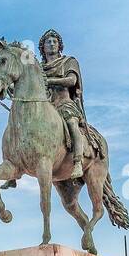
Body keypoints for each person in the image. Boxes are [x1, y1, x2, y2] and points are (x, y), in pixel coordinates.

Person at [39, 28, 88, 180]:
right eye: (48, 42)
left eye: (55, 42)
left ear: (60, 46)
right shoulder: (38, 68)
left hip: (64, 103)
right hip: (45, 106)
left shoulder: (69, 62)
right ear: (43, 47)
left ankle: (78, 161)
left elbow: (71, 81)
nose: (52, 44)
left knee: (72, 123)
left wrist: (49, 81)